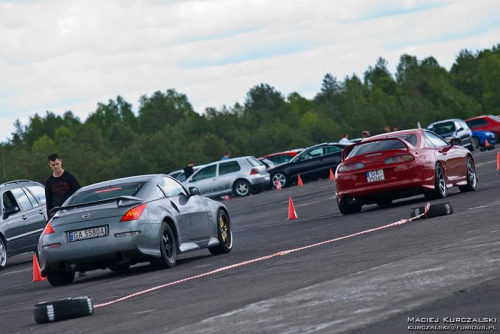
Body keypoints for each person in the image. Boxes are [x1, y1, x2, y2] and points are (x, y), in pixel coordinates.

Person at [45, 153, 81, 219]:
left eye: (57, 164)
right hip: (57, 212)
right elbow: (49, 201)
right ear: (50, 165)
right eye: (53, 165)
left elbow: (78, 193)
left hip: (70, 209)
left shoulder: (69, 177)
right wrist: (49, 217)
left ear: (61, 162)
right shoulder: (49, 182)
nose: (56, 167)